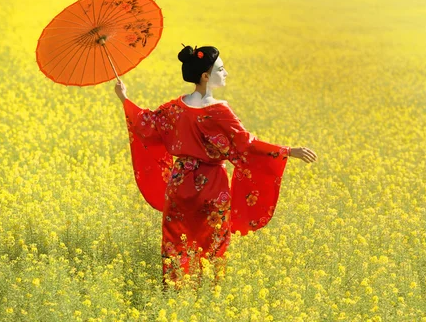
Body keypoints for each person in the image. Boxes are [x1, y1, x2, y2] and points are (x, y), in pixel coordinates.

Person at [114, 45, 317, 289]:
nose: (226, 73)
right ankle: (209, 293)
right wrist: (287, 151)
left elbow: (146, 123)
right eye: (221, 69)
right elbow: (246, 144)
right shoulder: (219, 110)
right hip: (211, 186)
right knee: (213, 244)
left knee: (175, 242)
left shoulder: (174, 107)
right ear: (205, 76)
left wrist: (124, 97)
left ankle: (174, 290)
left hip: (178, 185)